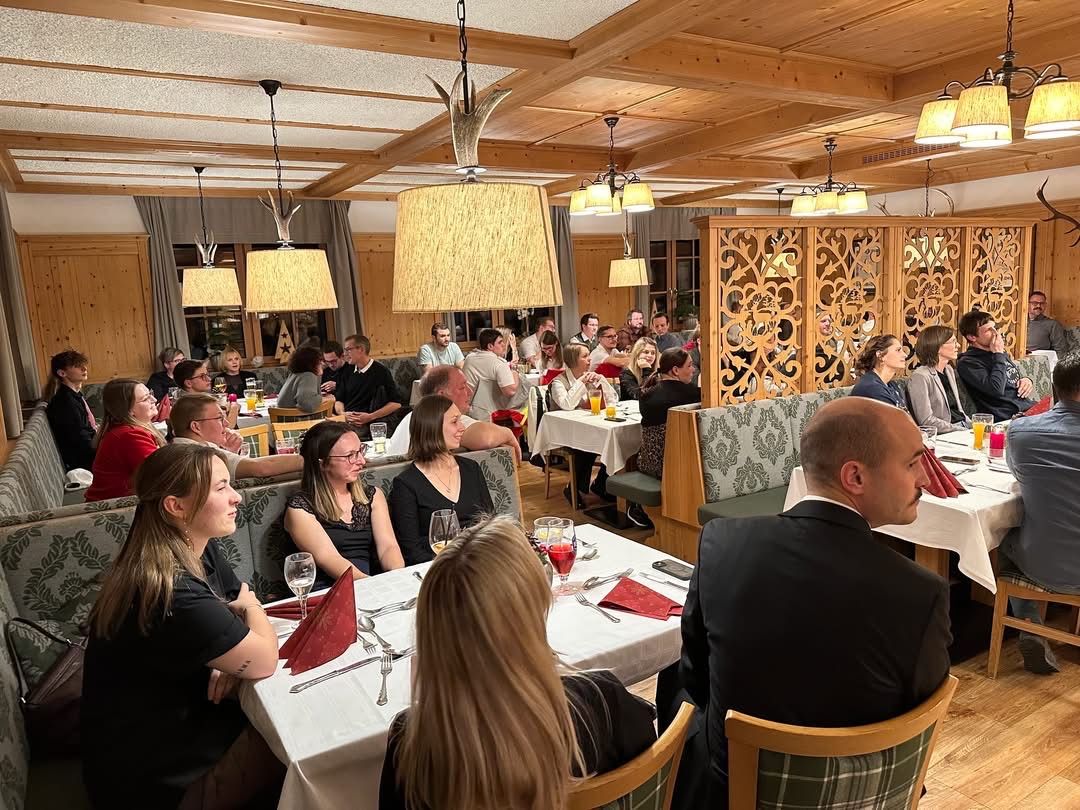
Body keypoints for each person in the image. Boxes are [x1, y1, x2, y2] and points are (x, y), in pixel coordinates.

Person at [681, 398, 951, 803]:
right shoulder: (919, 593)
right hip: (859, 797)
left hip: (728, 792)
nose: (926, 479)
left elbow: (695, 677)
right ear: (855, 476)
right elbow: (915, 729)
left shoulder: (722, 542)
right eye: (913, 463)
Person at [379, 515, 656, 810]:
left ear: (432, 631)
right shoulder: (599, 702)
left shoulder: (411, 743)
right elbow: (648, 784)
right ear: (532, 615)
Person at [82, 443, 282, 808]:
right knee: (296, 738)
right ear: (176, 506)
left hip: (174, 735)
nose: (237, 497)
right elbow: (264, 655)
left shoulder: (192, 546)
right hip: (158, 783)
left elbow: (232, 607)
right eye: (221, 488)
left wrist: (227, 655)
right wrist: (252, 610)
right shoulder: (169, 589)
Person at [999, 353, 1080, 674]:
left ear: (1055, 388)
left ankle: (1030, 624)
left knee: (1003, 536)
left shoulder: (1021, 433)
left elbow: (1016, 474)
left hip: (1042, 564)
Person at [285, 420, 405, 589]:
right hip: (327, 592)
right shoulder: (300, 508)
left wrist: (397, 578)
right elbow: (329, 558)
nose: (361, 461)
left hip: (368, 583)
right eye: (351, 455)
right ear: (322, 464)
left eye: (360, 451)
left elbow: (388, 546)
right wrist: (374, 586)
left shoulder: (372, 496)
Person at [388, 395, 495, 565]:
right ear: (433, 427)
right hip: (437, 568)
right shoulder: (406, 484)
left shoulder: (471, 468)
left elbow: (491, 522)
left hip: (482, 561)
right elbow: (411, 551)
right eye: (454, 422)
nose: (461, 428)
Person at [386, 366, 520, 463]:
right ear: (441, 396)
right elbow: (486, 437)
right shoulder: (444, 419)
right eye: (462, 387)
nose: (470, 392)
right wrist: (508, 433)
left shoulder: (410, 417)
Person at [169, 394, 303, 481]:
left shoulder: (172, 450)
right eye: (220, 418)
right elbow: (262, 468)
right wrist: (312, 459)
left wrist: (230, 452)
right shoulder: (202, 454)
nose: (226, 424)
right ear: (196, 427)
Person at [549, 344, 617, 506]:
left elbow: (613, 400)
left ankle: (603, 487)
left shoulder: (590, 377)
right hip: (564, 433)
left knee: (613, 444)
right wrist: (580, 383)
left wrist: (601, 381)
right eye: (585, 356)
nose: (589, 359)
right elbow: (566, 404)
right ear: (573, 360)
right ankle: (576, 488)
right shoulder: (558, 382)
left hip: (588, 427)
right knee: (588, 447)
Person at [85, 379, 165, 502]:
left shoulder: (127, 429)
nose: (154, 400)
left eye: (151, 394)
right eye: (145, 399)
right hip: (116, 508)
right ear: (128, 410)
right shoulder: (129, 435)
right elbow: (162, 474)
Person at [956, 310, 1036, 421]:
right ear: (972, 337)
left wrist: (1026, 380)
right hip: (1008, 416)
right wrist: (998, 354)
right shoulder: (968, 363)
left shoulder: (998, 353)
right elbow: (996, 389)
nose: (996, 333)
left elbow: (1010, 377)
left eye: (995, 328)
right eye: (989, 330)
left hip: (1028, 409)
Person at [638, 348, 699, 481]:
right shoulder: (694, 394)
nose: (693, 370)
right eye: (689, 365)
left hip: (648, 464)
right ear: (675, 370)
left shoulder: (646, 393)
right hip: (678, 466)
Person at [908, 325, 970, 434]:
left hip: (961, 428)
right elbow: (926, 421)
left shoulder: (949, 370)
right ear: (938, 347)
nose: (959, 345)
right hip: (946, 434)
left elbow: (959, 411)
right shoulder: (920, 376)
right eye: (953, 342)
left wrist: (975, 426)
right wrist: (961, 430)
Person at [336, 334, 404, 433]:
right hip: (345, 420)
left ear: (361, 349)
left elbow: (396, 404)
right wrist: (342, 414)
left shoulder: (381, 372)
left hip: (366, 422)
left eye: (348, 349)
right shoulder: (347, 370)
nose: (345, 354)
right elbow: (339, 400)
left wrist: (371, 417)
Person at [44, 349, 96, 472]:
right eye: (77, 366)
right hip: (84, 463)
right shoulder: (65, 402)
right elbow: (81, 441)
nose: (84, 369)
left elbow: (86, 432)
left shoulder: (73, 396)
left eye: (83, 364)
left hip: (88, 455)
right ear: (62, 373)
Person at [462, 328, 522, 411]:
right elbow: (510, 391)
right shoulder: (499, 364)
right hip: (489, 412)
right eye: (500, 342)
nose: (504, 345)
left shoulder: (469, 358)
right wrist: (514, 370)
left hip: (466, 407)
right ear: (490, 346)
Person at [850, 334, 908, 409]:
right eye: (898, 350)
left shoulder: (892, 385)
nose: (905, 355)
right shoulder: (870, 388)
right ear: (880, 355)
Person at [276, 346, 335, 414]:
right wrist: (326, 399)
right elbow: (308, 405)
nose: (322, 363)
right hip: (296, 421)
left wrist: (316, 396)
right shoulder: (308, 376)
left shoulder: (296, 375)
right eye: (319, 360)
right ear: (310, 363)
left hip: (285, 420)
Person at [619, 337, 658, 401]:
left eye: (653, 353)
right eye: (646, 352)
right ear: (637, 354)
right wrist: (646, 370)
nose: (650, 355)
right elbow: (640, 396)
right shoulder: (626, 374)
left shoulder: (657, 373)